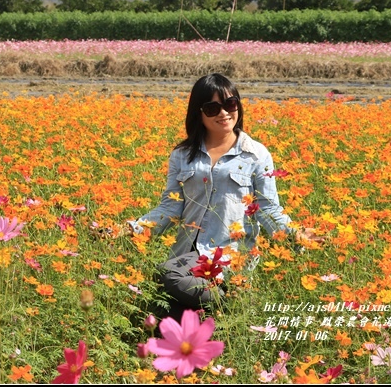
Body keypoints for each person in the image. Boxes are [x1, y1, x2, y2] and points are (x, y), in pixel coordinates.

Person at [125, 73, 321, 314]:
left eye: (230, 104)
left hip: (228, 257)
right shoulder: (182, 155)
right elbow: (170, 207)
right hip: (187, 256)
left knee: (166, 276)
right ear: (199, 112)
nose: (224, 113)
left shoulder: (256, 154)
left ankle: (226, 300)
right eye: (212, 108)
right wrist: (134, 229)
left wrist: (295, 234)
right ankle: (228, 304)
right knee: (161, 310)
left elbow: (267, 208)